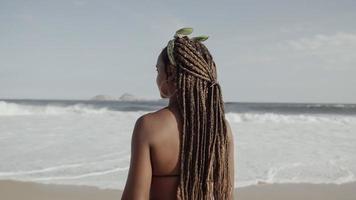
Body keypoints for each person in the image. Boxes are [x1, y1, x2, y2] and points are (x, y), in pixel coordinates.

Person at [121, 27, 234, 200]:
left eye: (158, 70)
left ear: (171, 74)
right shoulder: (222, 128)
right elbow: (227, 194)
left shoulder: (149, 126)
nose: (157, 78)